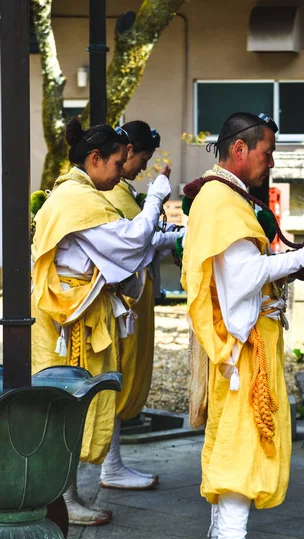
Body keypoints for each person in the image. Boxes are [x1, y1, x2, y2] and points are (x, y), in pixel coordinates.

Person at [181, 112, 304, 539]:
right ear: (241, 149)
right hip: (241, 349)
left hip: (242, 344)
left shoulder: (222, 196)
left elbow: (246, 269)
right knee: (240, 445)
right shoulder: (222, 201)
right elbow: (243, 277)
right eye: (267, 151)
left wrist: (290, 260)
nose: (271, 160)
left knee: (232, 438)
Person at [31, 118, 181, 526]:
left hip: (76, 317)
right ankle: (62, 499)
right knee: (68, 407)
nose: (120, 171)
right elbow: (131, 243)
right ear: (94, 159)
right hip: (69, 324)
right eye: (117, 163)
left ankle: (68, 496)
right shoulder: (78, 199)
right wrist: (156, 198)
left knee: (80, 403)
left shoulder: (77, 193)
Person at [100, 121, 178, 490]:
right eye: (141, 158)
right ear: (126, 152)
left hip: (132, 296)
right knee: (116, 374)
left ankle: (112, 464)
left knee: (123, 373)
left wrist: (172, 237)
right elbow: (133, 242)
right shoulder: (110, 194)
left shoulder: (122, 191)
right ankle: (109, 465)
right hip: (120, 300)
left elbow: (143, 238)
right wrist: (156, 199)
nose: (142, 167)